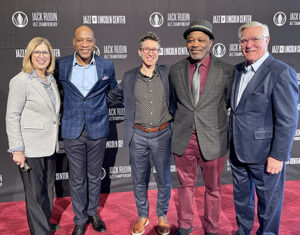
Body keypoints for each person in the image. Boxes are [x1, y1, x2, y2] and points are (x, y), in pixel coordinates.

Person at [229, 21, 298, 235]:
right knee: (242, 199)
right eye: (244, 40)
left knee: (268, 205)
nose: (248, 45)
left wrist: (278, 155)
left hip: (266, 155)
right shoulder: (237, 70)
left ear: (266, 40)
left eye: (255, 39)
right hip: (238, 151)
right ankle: (243, 231)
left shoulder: (281, 72)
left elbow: (287, 119)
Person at [169, 19, 234, 235]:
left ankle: (212, 228)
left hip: (213, 138)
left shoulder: (226, 70)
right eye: (191, 40)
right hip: (183, 138)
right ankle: (185, 225)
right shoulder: (176, 69)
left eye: (200, 40)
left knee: (213, 188)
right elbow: (172, 102)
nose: (195, 44)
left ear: (211, 43)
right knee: (185, 186)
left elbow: (227, 102)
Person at [107, 32, 174, 235]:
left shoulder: (168, 74)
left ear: (158, 52)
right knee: (139, 179)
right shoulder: (128, 77)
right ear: (139, 52)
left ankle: (162, 215)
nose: (150, 53)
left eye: (154, 49)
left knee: (163, 178)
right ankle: (143, 216)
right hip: (137, 135)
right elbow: (111, 97)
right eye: (146, 49)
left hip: (163, 133)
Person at [55, 25, 117, 235]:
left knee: (93, 175)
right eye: (80, 40)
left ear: (94, 42)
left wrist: (99, 108)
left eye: (89, 40)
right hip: (72, 129)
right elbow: (54, 93)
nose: (84, 45)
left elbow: (112, 93)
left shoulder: (106, 65)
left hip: (98, 129)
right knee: (77, 177)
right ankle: (80, 219)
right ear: (74, 41)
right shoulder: (61, 65)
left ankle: (93, 213)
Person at [6, 37, 61, 235]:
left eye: (45, 52)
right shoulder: (21, 80)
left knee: (47, 190)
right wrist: (17, 149)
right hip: (30, 147)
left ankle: (45, 224)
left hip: (49, 145)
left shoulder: (50, 79)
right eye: (37, 52)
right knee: (35, 195)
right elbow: (12, 116)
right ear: (29, 55)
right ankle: (40, 231)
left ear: (50, 56)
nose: (41, 56)